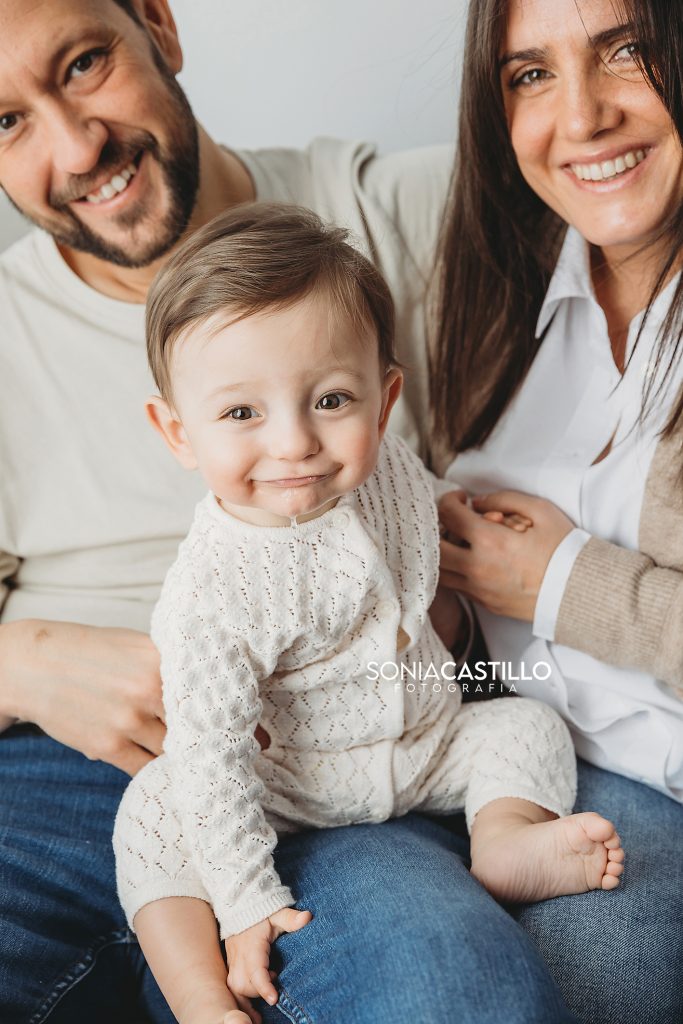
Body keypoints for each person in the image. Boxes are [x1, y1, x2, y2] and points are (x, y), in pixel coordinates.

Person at [0, 1, 581, 1022]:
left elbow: (599, 149)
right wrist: (21, 661)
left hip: (346, 753)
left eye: (85, 64)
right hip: (51, 765)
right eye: (4, 121)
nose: (76, 145)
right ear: (173, 427)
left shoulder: (381, 209)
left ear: (157, 27)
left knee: (456, 990)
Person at [110, 201, 626, 1024]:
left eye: (330, 400)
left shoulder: (384, 466)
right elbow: (213, 756)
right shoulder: (213, 591)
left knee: (525, 724)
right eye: (242, 413)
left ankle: (503, 841)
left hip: (423, 747)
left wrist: (465, 512)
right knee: (161, 809)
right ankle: (200, 994)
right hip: (288, 783)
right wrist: (245, 897)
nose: (294, 444)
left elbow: (421, 504)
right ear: (177, 432)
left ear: (384, 402)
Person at [429, 1, 683, 1022]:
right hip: (516, 767)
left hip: (646, 779)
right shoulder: (498, 286)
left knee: (592, 986)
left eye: (627, 51)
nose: (578, 117)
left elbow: (550, 587)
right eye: (528, 75)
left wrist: (558, 583)